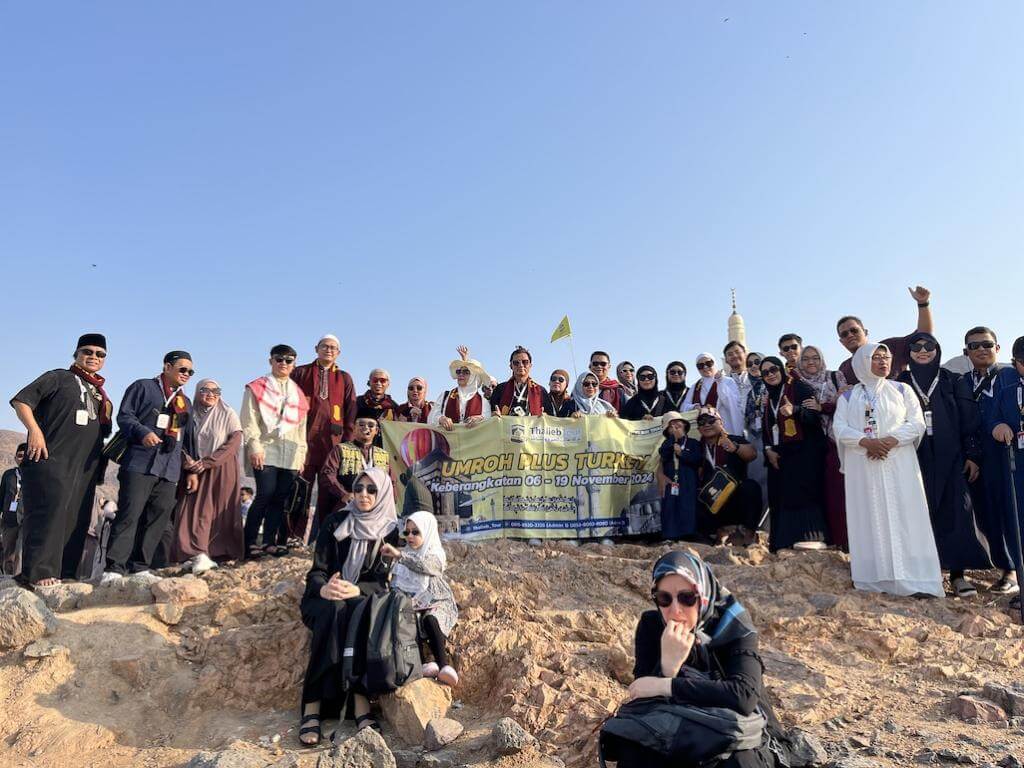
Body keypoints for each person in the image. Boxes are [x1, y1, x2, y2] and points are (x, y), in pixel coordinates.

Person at [617, 550, 779, 768]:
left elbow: (743, 697)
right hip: (682, 726)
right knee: (635, 753)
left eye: (686, 598)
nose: (675, 610)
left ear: (703, 595)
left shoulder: (734, 627)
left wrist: (667, 684)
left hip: (733, 730)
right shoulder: (652, 625)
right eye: (664, 598)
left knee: (737, 761)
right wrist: (668, 666)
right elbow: (642, 695)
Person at [298, 467, 401, 744]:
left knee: (355, 610)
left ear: (383, 494)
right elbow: (317, 571)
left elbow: (385, 581)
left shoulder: (391, 531)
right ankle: (312, 706)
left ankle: (360, 704)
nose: (363, 495)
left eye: (371, 489)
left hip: (362, 598)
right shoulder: (336, 522)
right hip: (326, 599)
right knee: (334, 611)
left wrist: (358, 588)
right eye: (358, 488)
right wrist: (325, 587)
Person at [833, 343, 944, 597]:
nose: (883, 362)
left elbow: (916, 423)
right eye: (876, 358)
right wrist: (866, 442)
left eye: (886, 357)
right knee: (869, 515)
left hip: (898, 461)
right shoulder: (848, 397)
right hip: (864, 463)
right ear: (862, 362)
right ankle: (874, 580)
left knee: (906, 514)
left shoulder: (902, 390)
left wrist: (889, 441)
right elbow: (839, 429)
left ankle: (918, 580)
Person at [10, 335, 112, 587]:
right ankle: (38, 572)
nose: (93, 357)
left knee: (76, 518)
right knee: (50, 513)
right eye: (87, 351)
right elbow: (21, 401)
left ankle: (66, 571)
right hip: (51, 459)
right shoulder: (58, 377)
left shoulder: (100, 394)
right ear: (76, 353)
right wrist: (34, 431)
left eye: (100, 354)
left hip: (82, 468)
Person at [896, 333, 992, 596]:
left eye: (929, 346)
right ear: (909, 352)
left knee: (957, 513)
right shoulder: (901, 383)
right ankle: (925, 574)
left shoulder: (952, 379)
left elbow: (969, 420)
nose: (923, 351)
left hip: (952, 459)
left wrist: (972, 455)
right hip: (914, 460)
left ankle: (958, 575)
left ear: (937, 349)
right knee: (920, 514)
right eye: (916, 347)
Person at [102, 349, 192, 584]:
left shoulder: (185, 402)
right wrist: (143, 432)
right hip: (140, 463)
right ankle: (114, 567)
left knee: (158, 519)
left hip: (169, 469)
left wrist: (189, 470)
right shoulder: (142, 387)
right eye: (182, 369)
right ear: (167, 366)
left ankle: (140, 566)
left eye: (190, 372)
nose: (186, 374)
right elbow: (124, 416)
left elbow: (187, 438)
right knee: (129, 515)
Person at [958, 326, 1020, 595]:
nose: (981, 349)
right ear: (966, 352)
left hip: (1008, 455)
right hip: (975, 456)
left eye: (986, 344)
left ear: (997, 348)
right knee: (986, 513)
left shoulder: (1009, 376)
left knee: (1011, 511)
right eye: (974, 346)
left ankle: (1013, 571)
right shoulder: (960, 382)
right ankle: (1002, 564)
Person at [241, 345, 309, 559]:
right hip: (266, 448)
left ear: (294, 364)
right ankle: (250, 541)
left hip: (290, 452)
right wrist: (255, 446)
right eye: (279, 359)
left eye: (289, 360)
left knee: (280, 499)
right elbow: (249, 420)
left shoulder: (298, 394)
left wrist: (302, 455)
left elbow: (301, 429)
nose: (284, 364)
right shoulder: (257, 387)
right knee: (264, 494)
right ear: (271, 361)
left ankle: (270, 541)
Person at [170, 378, 244, 573]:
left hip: (221, 468)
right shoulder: (188, 414)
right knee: (194, 511)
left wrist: (208, 462)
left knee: (220, 510)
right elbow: (180, 441)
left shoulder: (228, 413)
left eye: (216, 390)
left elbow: (234, 442)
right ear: (197, 392)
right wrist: (189, 463)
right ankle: (193, 553)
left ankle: (219, 553)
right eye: (205, 390)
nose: (211, 394)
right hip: (194, 470)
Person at [291, 334, 357, 543]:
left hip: (333, 443)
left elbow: (350, 411)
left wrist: (347, 443)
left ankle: (323, 538)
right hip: (304, 441)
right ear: (316, 348)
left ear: (338, 353)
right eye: (324, 346)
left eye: (333, 348)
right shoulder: (300, 372)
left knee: (329, 489)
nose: (328, 350)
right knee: (300, 489)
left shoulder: (344, 378)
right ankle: (294, 535)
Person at [380, 511, 459, 686]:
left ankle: (443, 665)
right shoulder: (402, 557)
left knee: (431, 619)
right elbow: (396, 585)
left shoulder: (434, 553)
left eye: (415, 532)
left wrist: (400, 555)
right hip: (412, 604)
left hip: (437, 601)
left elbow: (426, 567)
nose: (410, 536)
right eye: (407, 532)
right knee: (409, 620)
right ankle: (423, 664)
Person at [759, 357, 828, 551]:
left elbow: (815, 418)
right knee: (780, 495)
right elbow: (766, 428)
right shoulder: (768, 398)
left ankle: (811, 535)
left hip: (804, 453)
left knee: (803, 492)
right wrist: (767, 450)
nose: (770, 374)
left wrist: (795, 410)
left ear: (781, 370)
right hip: (780, 454)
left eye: (773, 369)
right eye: (765, 373)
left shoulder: (799, 388)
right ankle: (783, 541)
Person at [798, 346, 848, 550]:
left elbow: (847, 401)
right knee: (817, 491)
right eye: (806, 359)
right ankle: (825, 537)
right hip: (809, 444)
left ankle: (843, 540)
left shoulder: (836, 377)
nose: (811, 362)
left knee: (838, 492)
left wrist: (823, 407)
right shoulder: (797, 383)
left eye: (815, 358)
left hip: (835, 442)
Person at [836, 285, 933, 386]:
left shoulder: (891, 347)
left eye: (854, 330)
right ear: (842, 342)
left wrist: (923, 304)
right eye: (844, 334)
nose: (850, 335)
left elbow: (923, 335)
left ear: (865, 332)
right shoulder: (844, 369)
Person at [990, 335, 1024, 611]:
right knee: (1019, 526)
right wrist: (998, 424)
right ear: (1015, 363)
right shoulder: (1006, 384)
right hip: (1018, 464)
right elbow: (991, 415)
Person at [695, 407, 761, 539]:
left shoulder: (733, 439)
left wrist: (736, 448)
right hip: (711, 499)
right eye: (701, 422)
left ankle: (747, 532)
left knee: (751, 487)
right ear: (698, 428)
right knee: (692, 494)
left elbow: (752, 454)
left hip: (734, 496)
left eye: (711, 420)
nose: (706, 425)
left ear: (721, 422)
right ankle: (712, 534)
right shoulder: (696, 447)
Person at [320, 417, 392, 515]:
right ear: (354, 429)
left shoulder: (384, 455)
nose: (366, 428)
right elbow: (327, 474)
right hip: (346, 506)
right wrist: (343, 494)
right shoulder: (340, 449)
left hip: (375, 509)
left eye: (371, 425)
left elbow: (392, 483)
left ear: (376, 431)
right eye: (361, 425)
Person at [657, 413, 701, 540]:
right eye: (671, 426)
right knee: (670, 505)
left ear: (685, 427)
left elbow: (697, 459)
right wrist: (672, 441)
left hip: (688, 480)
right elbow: (663, 454)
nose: (675, 428)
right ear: (667, 431)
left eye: (678, 425)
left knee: (688, 506)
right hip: (671, 480)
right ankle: (670, 534)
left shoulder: (693, 443)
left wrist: (682, 453)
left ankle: (689, 533)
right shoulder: (666, 444)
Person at [683, 354, 744, 436]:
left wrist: (720, 383)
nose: (705, 367)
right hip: (705, 431)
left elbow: (734, 405)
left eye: (708, 363)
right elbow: (684, 407)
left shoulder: (727, 381)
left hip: (726, 428)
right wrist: (694, 407)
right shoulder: (695, 386)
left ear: (714, 363)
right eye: (700, 365)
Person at [429, 355, 493, 430]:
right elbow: (430, 419)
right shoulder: (444, 396)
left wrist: (481, 419)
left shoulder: (483, 402)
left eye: (466, 372)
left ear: (474, 376)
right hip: (446, 440)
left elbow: (489, 424)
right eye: (458, 372)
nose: (460, 374)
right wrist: (440, 419)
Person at [491, 346, 547, 416]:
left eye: (525, 362)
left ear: (530, 365)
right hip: (507, 426)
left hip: (530, 426)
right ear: (511, 366)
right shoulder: (500, 389)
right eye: (516, 363)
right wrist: (493, 415)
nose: (521, 365)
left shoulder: (541, 391)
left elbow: (549, 415)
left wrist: (545, 417)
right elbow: (492, 411)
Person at [1, 443, 26, 576]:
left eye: (25, 456)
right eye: (20, 456)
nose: (22, 458)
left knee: (20, 553)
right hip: (9, 519)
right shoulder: (8, 475)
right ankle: (7, 578)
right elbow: (1, 496)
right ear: (15, 457)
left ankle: (18, 580)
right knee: (8, 553)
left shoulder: (34, 475)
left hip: (26, 521)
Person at [723, 342, 753, 412]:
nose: (735, 356)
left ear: (745, 354)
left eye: (737, 352)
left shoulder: (758, 378)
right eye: (730, 354)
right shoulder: (723, 384)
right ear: (726, 360)